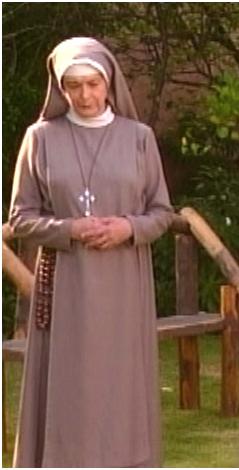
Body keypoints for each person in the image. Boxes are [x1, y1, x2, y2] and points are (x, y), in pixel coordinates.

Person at [8, 37, 173, 467]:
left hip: (123, 285)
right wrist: (69, 229)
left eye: (93, 84)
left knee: (121, 385)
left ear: (109, 82)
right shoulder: (41, 138)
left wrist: (127, 227)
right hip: (66, 285)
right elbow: (21, 218)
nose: (85, 95)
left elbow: (161, 213)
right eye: (74, 86)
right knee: (70, 385)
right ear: (60, 88)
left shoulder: (139, 138)